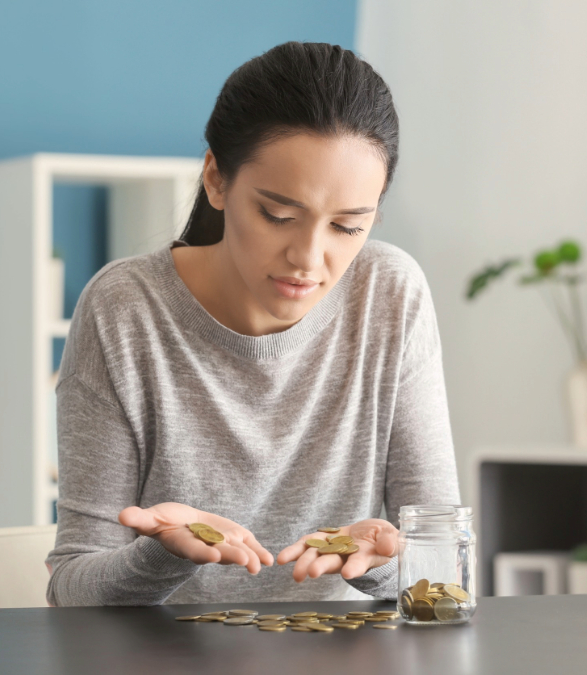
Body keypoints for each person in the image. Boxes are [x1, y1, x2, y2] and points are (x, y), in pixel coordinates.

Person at [45, 41, 460, 607]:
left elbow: (446, 575)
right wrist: (162, 556)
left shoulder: (391, 294)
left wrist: (380, 569)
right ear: (216, 179)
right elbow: (71, 588)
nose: (309, 259)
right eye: (278, 216)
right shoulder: (124, 310)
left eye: (347, 227)